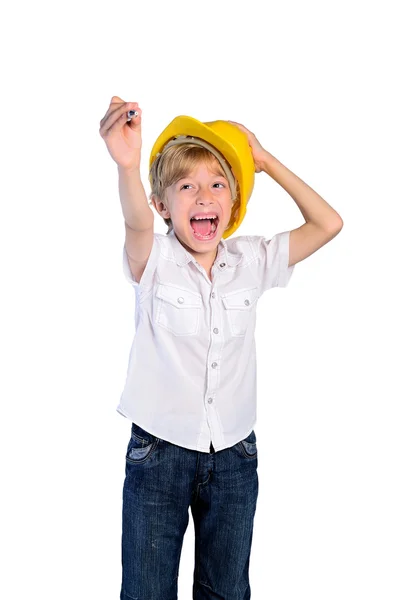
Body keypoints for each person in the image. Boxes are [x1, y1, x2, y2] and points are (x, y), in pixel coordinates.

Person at [99, 96, 343, 600]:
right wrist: (127, 167)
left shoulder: (251, 259)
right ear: (164, 205)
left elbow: (328, 224)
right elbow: (136, 223)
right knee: (146, 591)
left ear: (233, 205)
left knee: (228, 591)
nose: (203, 195)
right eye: (185, 186)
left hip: (234, 453)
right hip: (158, 452)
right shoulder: (155, 259)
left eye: (217, 184)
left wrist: (265, 159)